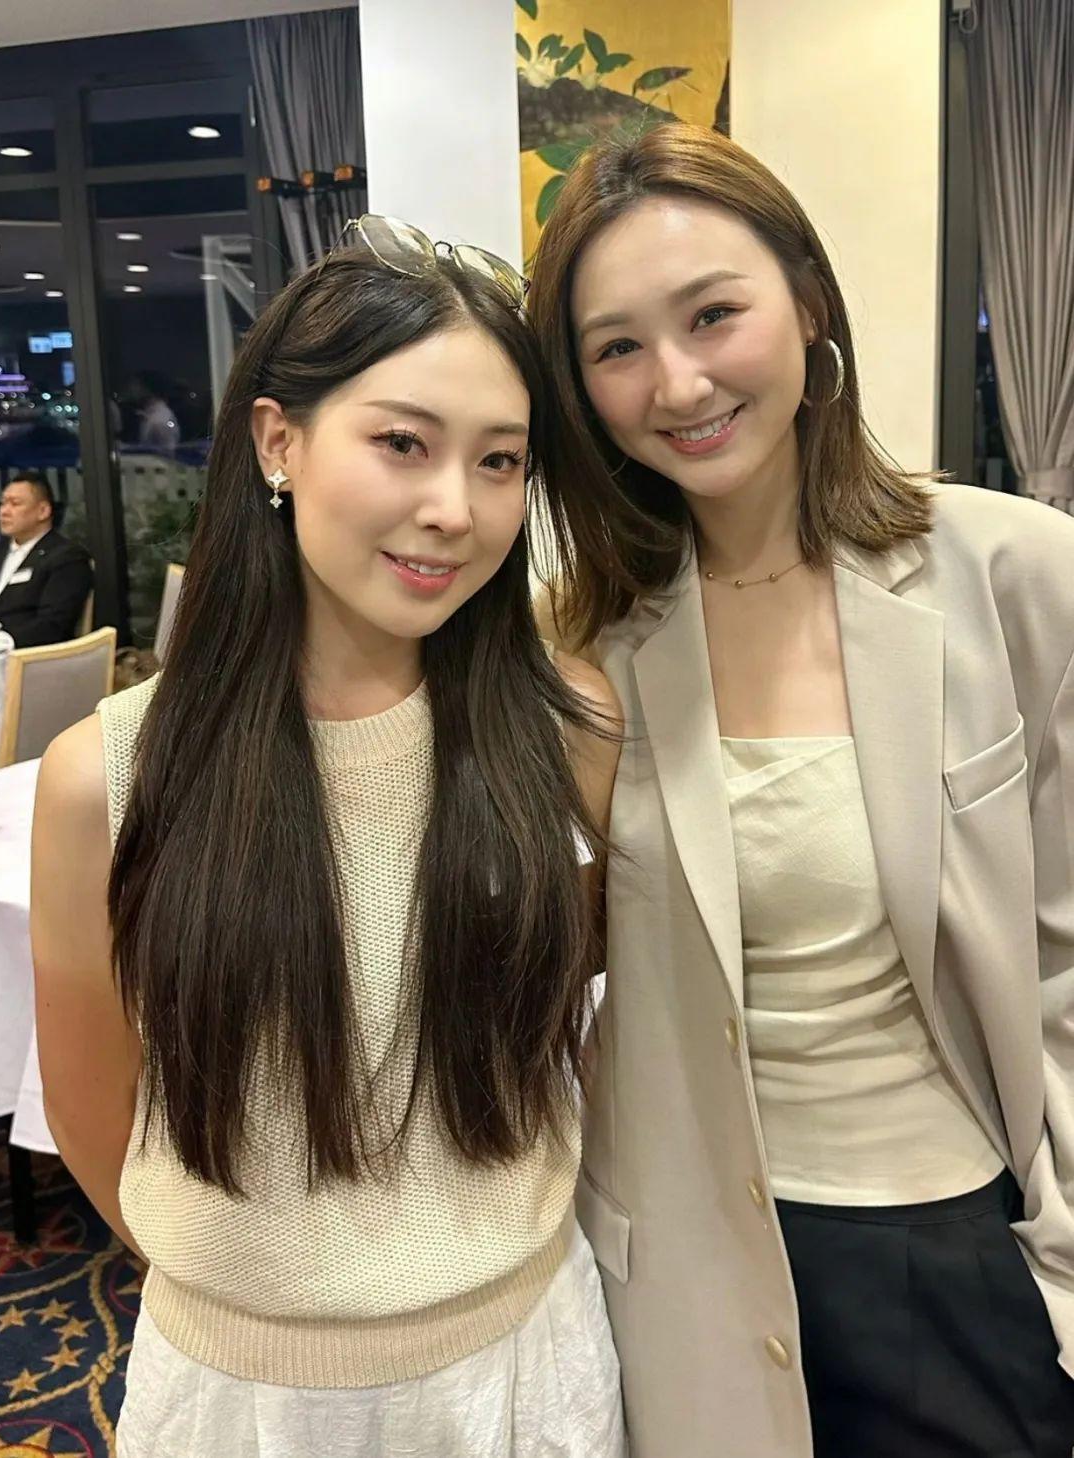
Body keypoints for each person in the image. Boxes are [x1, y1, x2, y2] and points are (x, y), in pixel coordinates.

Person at [31, 221, 624, 1458]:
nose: (454, 509)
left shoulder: (566, 727)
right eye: (403, 442)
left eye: (500, 462)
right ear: (277, 441)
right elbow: (93, 1107)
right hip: (237, 1393)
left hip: (524, 1365)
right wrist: (267, 1306)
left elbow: (570, 1029)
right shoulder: (113, 775)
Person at [528, 119, 1074, 1458]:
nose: (678, 381)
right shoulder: (582, 642)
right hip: (685, 1269)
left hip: (958, 1241)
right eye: (616, 347)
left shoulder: (1013, 574)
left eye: (714, 314)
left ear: (809, 304)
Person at [0, 470, 92, 647]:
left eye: (15, 504)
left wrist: (2, 642)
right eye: (3, 503)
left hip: (28, 654)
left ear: (43, 511)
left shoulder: (67, 557)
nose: (4, 511)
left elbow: (53, 624)